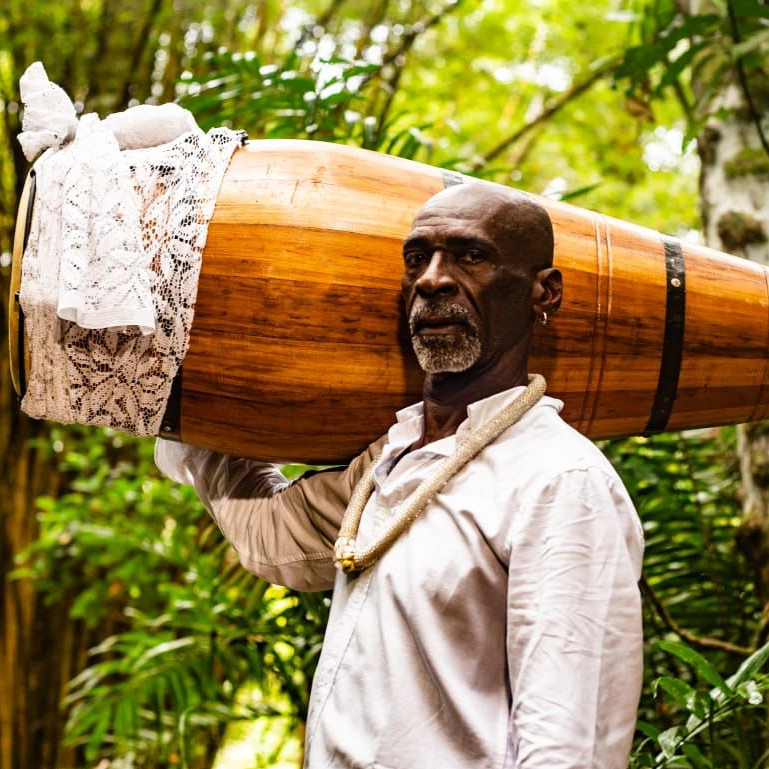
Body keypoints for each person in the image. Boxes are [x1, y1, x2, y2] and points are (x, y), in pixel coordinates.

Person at [156, 182, 644, 768]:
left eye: (471, 256)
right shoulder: (393, 458)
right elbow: (270, 535)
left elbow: (568, 751)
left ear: (545, 292)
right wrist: (170, 379)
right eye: (417, 259)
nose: (432, 279)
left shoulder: (561, 481)